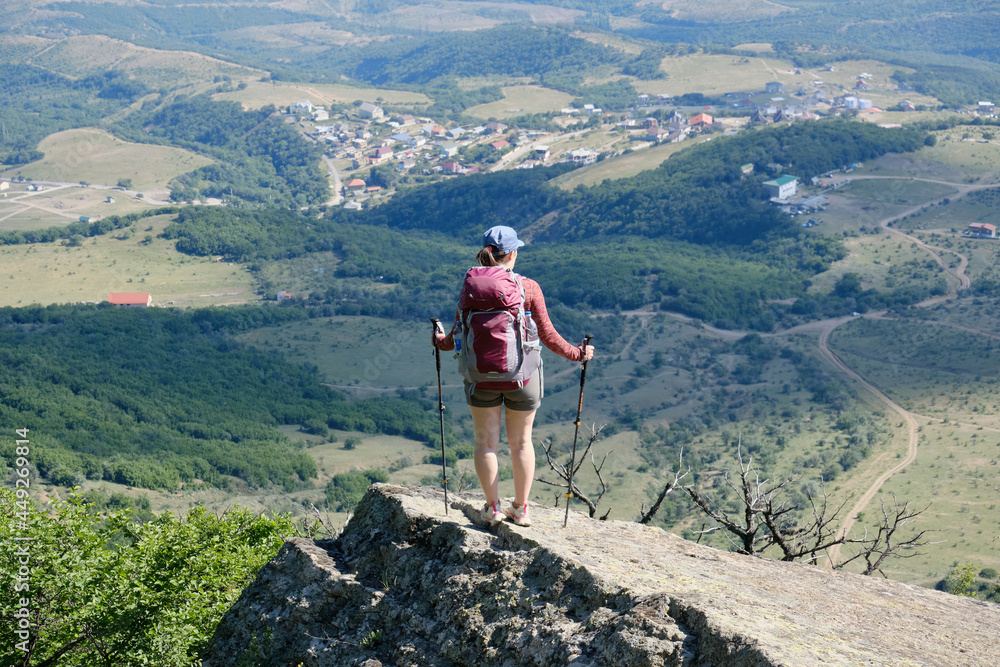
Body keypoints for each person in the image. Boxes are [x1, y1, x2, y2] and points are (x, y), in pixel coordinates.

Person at [434, 226, 595, 527]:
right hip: (523, 379)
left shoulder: (469, 288)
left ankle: (493, 508)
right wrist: (578, 354)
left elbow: (454, 337)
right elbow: (548, 336)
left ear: (486, 253)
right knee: (521, 442)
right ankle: (520, 509)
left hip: (480, 378)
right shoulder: (528, 287)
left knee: (485, 443)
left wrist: (438, 339)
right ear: (513, 253)